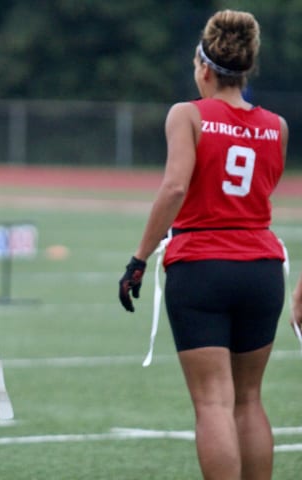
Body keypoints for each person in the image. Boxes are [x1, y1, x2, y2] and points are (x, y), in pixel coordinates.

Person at [118, 10, 289, 480]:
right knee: (249, 399)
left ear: (204, 67)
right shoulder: (276, 126)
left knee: (213, 402)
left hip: (202, 265)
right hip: (262, 267)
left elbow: (175, 188)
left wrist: (139, 258)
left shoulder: (187, 114)